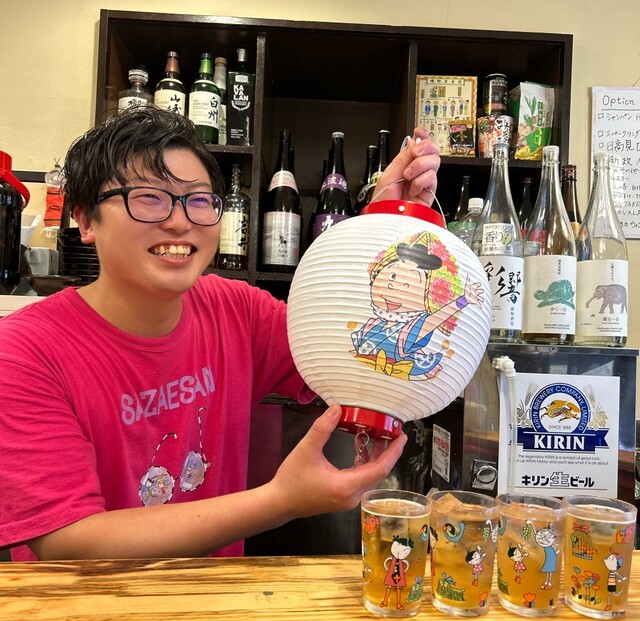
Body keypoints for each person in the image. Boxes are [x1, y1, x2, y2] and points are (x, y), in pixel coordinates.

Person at [0, 107, 439, 561]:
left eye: (198, 199)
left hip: (219, 594)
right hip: (84, 603)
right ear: (86, 220)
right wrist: (279, 501)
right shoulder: (24, 351)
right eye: (148, 197)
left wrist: (390, 226)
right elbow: (68, 540)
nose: (179, 221)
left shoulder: (236, 311)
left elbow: (356, 348)